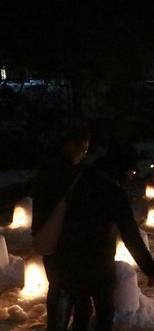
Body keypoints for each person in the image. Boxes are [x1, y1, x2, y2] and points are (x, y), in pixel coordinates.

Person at [33, 141, 154, 331]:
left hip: (63, 260)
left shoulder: (76, 177)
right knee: (103, 313)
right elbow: (131, 236)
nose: (132, 174)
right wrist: (152, 270)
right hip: (96, 265)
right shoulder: (114, 193)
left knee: (80, 310)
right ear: (122, 167)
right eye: (130, 170)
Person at [30, 122, 93, 331]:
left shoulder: (48, 169)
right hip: (65, 241)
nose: (84, 154)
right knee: (65, 292)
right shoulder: (66, 174)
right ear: (69, 146)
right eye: (82, 148)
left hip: (50, 239)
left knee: (59, 289)